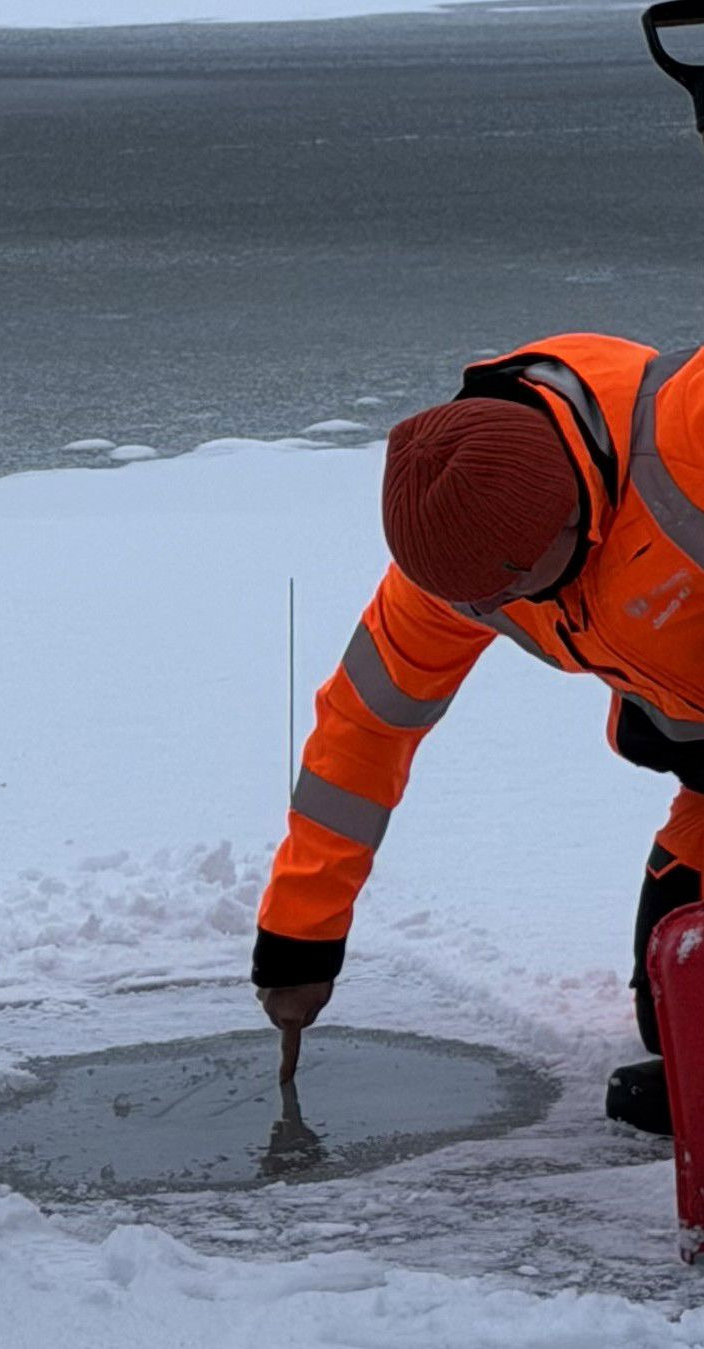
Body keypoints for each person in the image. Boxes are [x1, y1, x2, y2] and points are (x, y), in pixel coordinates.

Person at [254, 334, 704, 1135]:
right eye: (474, 598)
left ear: (567, 514)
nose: (492, 608)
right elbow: (363, 729)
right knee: (675, 998)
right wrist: (299, 935)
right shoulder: (457, 574)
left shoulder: (685, 436)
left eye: (510, 585)